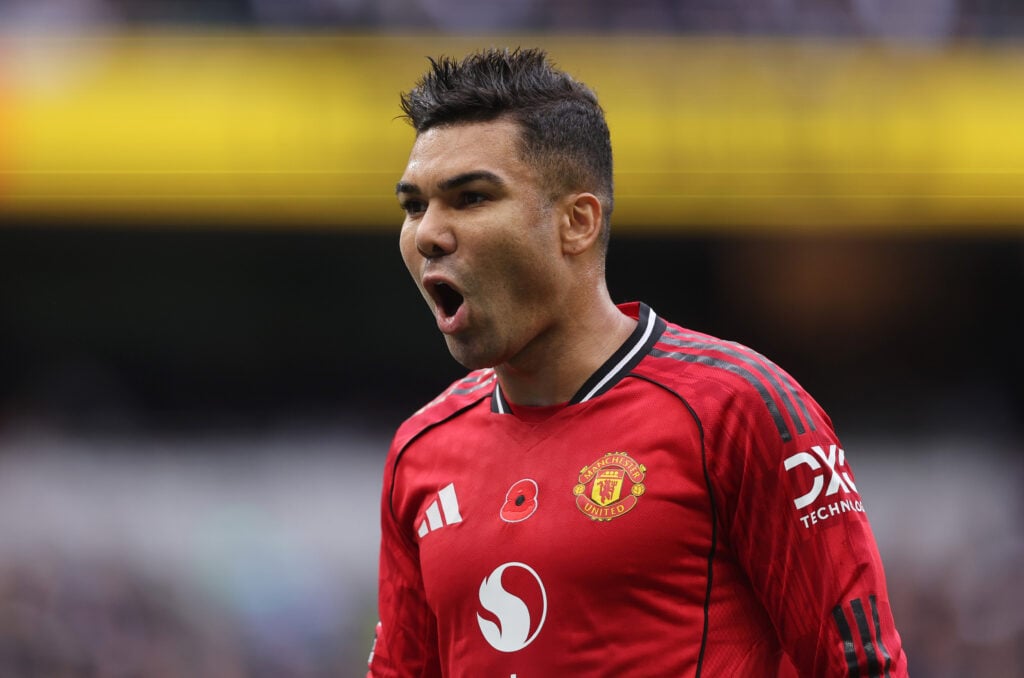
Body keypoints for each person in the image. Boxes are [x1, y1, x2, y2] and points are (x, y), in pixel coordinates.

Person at [368, 47, 907, 677]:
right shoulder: (421, 449)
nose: (428, 234)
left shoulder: (736, 409)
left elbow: (859, 667)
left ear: (577, 223)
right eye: (414, 206)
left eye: (470, 198)